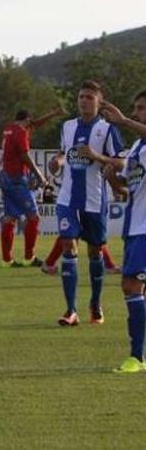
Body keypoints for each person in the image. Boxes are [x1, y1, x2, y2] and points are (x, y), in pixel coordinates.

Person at [49, 80, 123, 326]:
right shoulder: (68, 126)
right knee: (69, 246)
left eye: (89, 97)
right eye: (81, 96)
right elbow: (63, 152)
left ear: (99, 101)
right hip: (67, 200)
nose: (84, 101)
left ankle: (95, 304)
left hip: (94, 201)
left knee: (94, 252)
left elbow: (120, 162)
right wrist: (58, 162)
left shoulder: (107, 129)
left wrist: (96, 156)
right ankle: (71, 310)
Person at [100, 92, 146, 373]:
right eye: (136, 108)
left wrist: (124, 121)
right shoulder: (137, 148)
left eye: (142, 108)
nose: (137, 111)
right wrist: (112, 179)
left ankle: (136, 357)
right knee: (135, 288)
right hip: (133, 227)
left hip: (145, 230)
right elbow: (129, 190)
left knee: (131, 285)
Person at [0, 107, 64, 267]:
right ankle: (29, 257)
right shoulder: (21, 132)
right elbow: (25, 156)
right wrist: (40, 176)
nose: (32, 126)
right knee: (33, 217)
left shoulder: (9, 129)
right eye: (30, 122)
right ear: (27, 120)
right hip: (16, 179)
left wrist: (53, 113)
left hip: (5, 177)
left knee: (10, 217)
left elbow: (36, 123)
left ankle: (7, 260)